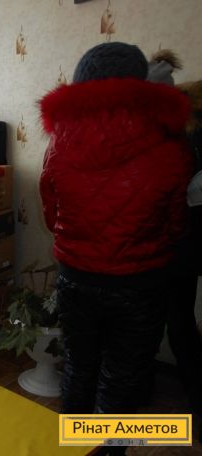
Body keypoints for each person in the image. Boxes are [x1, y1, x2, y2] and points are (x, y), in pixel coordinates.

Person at [39, 41, 192, 423]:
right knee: (122, 379)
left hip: (75, 277)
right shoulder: (170, 144)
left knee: (78, 366)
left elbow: (51, 214)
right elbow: (175, 223)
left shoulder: (58, 142)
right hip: (140, 281)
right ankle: (107, 448)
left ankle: (75, 446)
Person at [148, 48, 202, 436]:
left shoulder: (182, 130)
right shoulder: (180, 123)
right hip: (179, 242)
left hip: (177, 241)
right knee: (174, 320)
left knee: (171, 320)